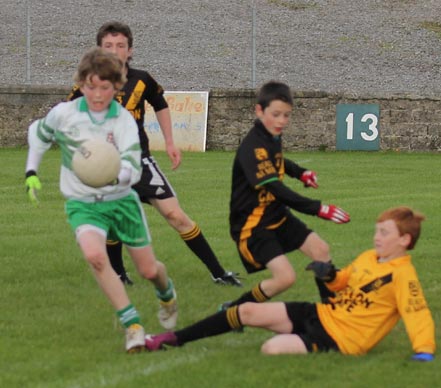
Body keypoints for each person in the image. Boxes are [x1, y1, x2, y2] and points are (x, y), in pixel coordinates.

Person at [25, 47, 178, 353]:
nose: (97, 94)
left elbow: (133, 167)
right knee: (96, 257)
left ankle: (167, 294)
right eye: (90, 86)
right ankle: (132, 326)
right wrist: (32, 170)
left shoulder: (121, 121)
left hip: (121, 202)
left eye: (105, 88)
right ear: (81, 84)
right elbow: (38, 133)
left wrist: (112, 175)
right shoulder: (64, 114)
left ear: (116, 86)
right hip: (82, 203)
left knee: (149, 271)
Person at [67, 21, 241, 287]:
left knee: (175, 215)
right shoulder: (88, 83)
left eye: (120, 46)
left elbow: (160, 104)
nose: (114, 51)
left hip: (141, 162)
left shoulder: (142, 79)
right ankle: (119, 275)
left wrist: (170, 142)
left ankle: (218, 273)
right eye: (108, 46)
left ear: (130, 51)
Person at [145, 206, 436, 361]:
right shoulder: (370, 257)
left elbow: (417, 314)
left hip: (339, 340)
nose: (376, 237)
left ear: (404, 240)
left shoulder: (403, 276)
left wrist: (424, 349)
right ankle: (173, 339)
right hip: (322, 315)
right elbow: (342, 283)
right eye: (377, 231)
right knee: (246, 311)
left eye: (384, 233)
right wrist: (329, 274)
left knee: (271, 349)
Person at [213, 81, 350, 312]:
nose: (281, 121)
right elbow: (276, 188)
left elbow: (278, 161)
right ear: (259, 111)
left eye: (286, 115)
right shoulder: (253, 146)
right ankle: (234, 309)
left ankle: (332, 312)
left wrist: (301, 173)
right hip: (252, 225)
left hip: (275, 214)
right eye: (276, 114)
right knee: (285, 278)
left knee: (321, 250)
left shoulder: (270, 136)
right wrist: (318, 208)